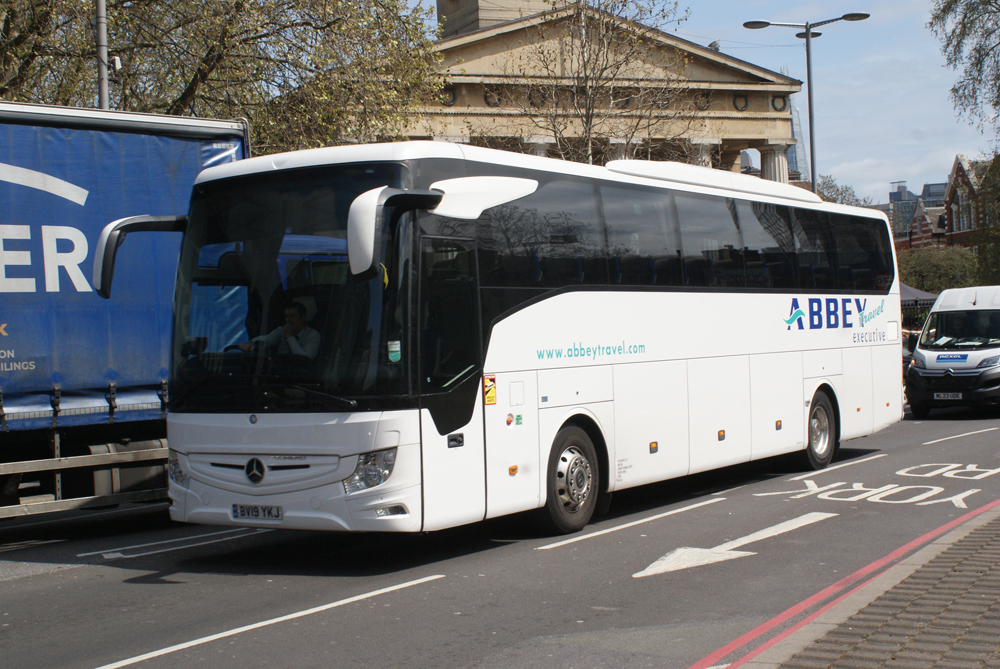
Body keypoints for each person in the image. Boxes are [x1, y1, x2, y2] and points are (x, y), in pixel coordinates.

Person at [238, 302, 320, 359]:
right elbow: (267, 339)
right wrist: (251, 342)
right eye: (286, 316)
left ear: (303, 317)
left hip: (303, 376)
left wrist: (290, 337)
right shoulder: (281, 331)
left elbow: (305, 358)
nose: (288, 320)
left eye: (292, 316)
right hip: (280, 373)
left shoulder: (313, 335)